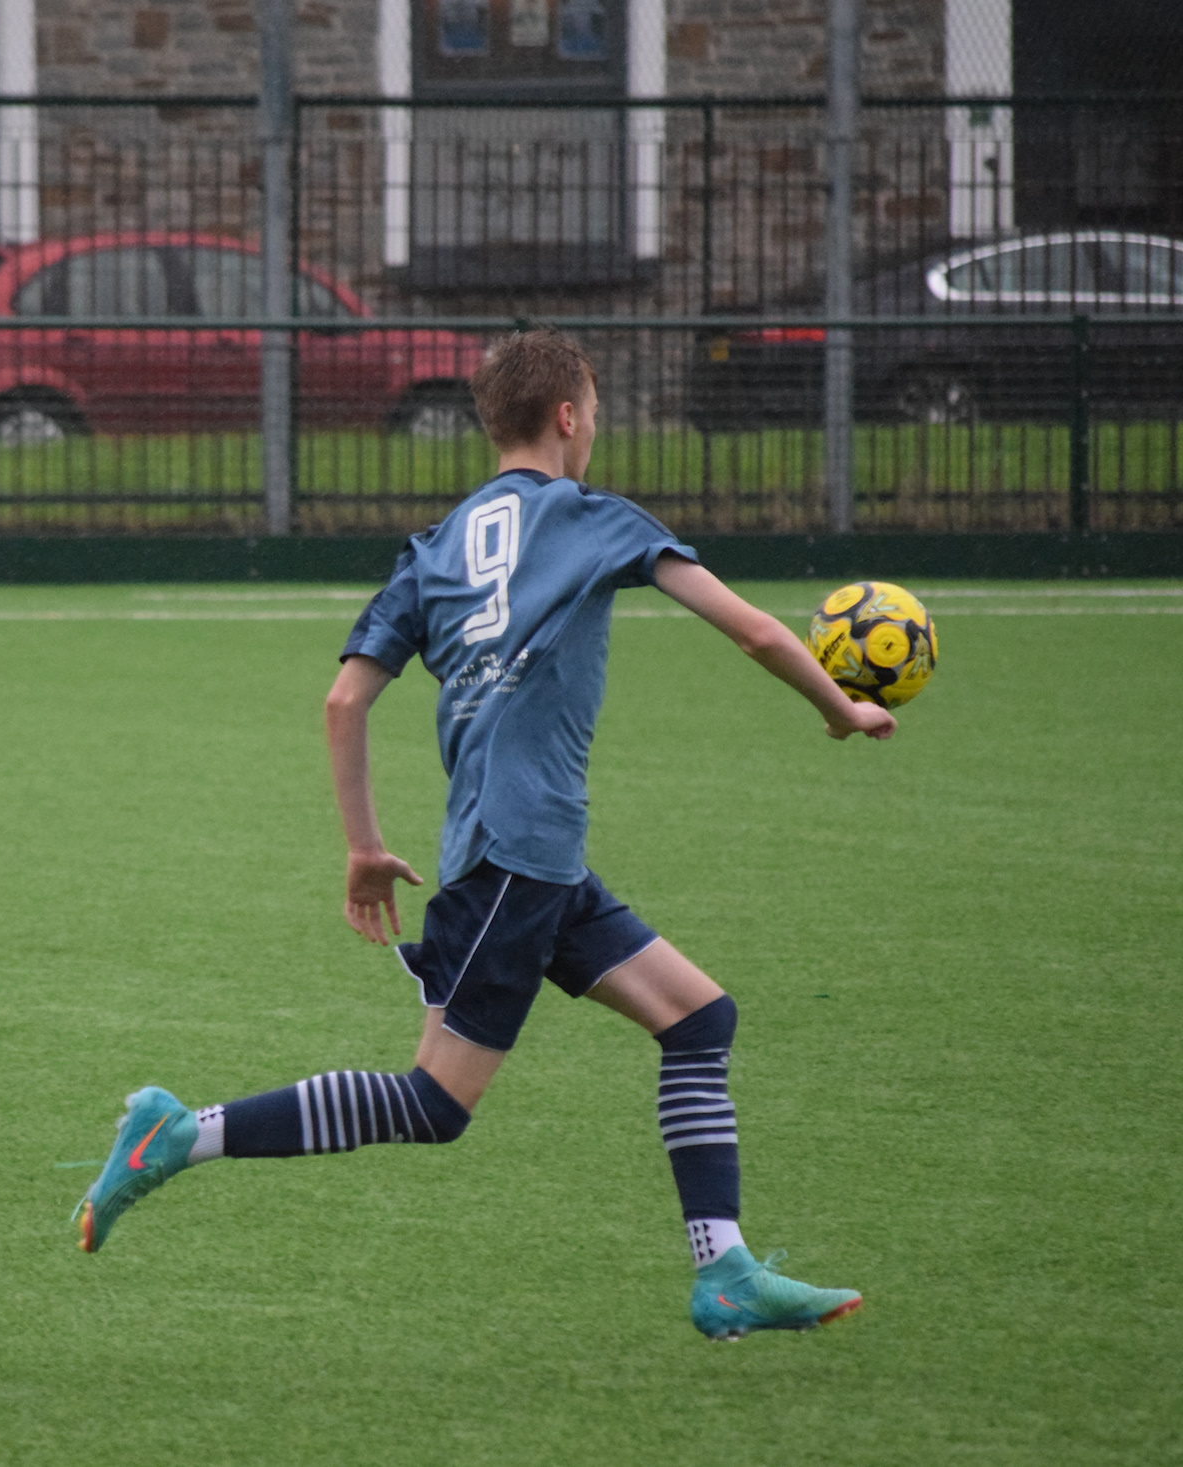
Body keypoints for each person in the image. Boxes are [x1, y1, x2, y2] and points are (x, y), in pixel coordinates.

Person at [73, 327, 893, 1341]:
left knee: (697, 1019)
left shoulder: (433, 549)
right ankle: (179, 1134)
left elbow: (343, 701)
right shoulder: (595, 518)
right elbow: (758, 629)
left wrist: (363, 847)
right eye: (596, 414)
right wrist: (838, 709)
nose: (595, 431)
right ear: (568, 417)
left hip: (527, 861)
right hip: (515, 861)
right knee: (434, 1104)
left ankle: (723, 1269)